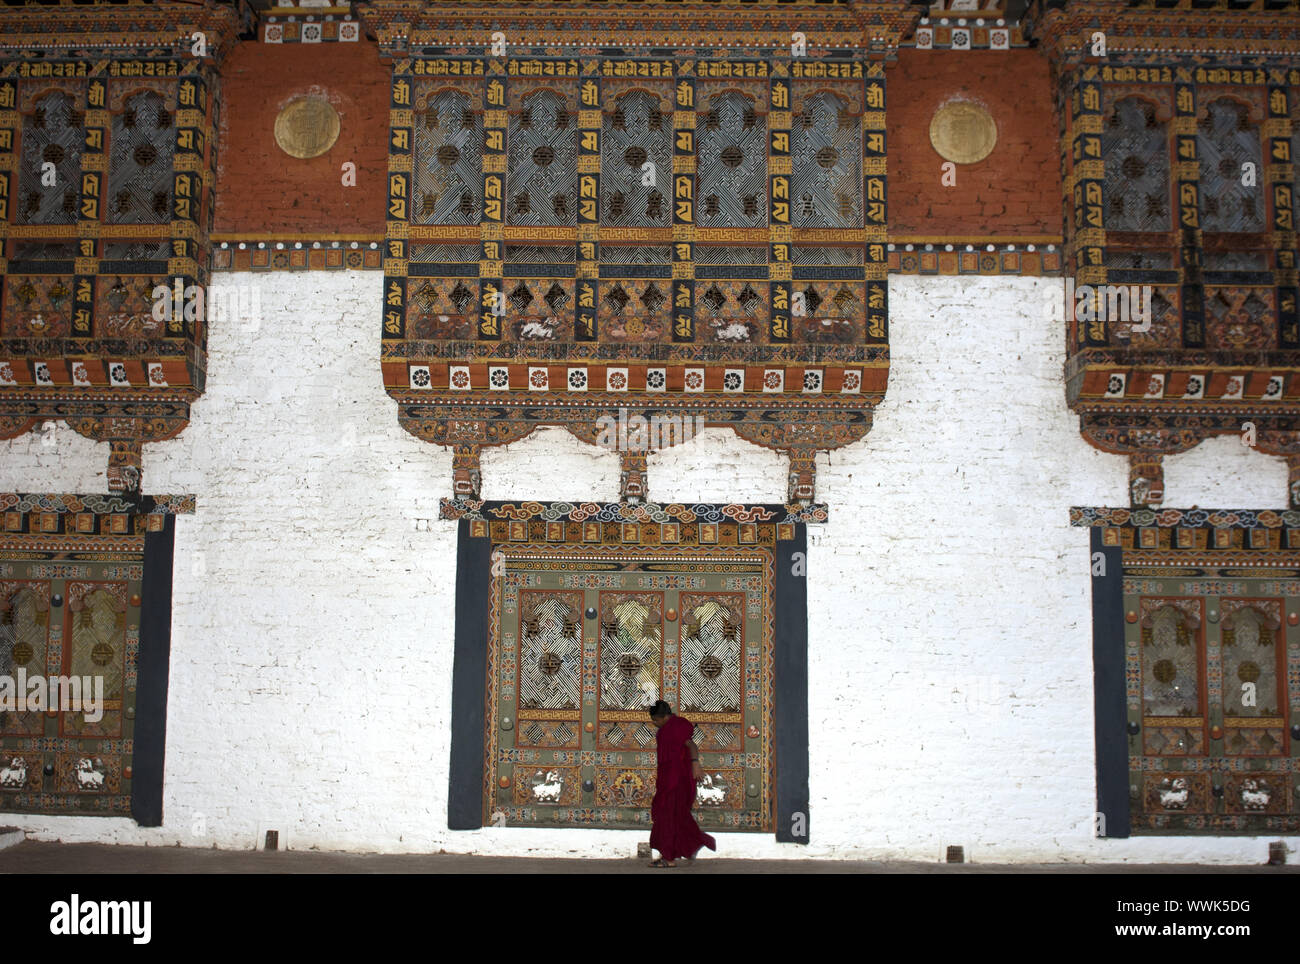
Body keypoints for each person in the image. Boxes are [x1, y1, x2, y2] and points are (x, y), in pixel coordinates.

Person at [646, 699, 716, 867]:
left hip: (676, 781)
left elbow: (691, 745)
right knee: (672, 818)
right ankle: (681, 849)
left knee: (668, 817)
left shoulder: (676, 727)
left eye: (655, 720)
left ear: (662, 717)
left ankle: (669, 859)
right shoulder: (668, 729)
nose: (655, 724)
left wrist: (695, 764)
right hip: (669, 779)